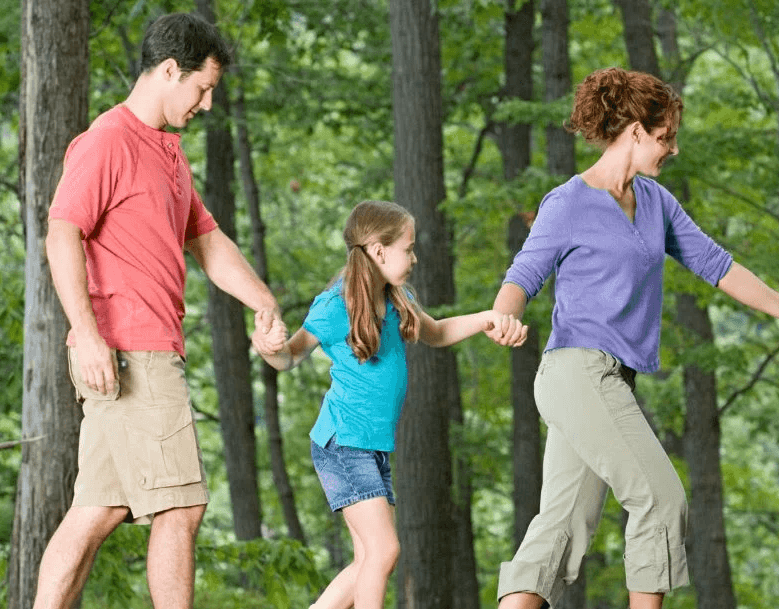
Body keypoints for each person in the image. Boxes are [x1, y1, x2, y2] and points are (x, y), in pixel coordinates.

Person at [486, 66, 779, 609]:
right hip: (576, 372)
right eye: (666, 136)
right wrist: (504, 318)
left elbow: (717, 265)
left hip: (610, 380)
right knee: (663, 501)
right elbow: (520, 278)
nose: (674, 148)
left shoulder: (655, 203)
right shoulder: (568, 203)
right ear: (635, 131)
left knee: (559, 529)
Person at [37, 13, 280, 609]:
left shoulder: (167, 152)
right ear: (170, 70)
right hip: (130, 350)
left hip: (138, 349)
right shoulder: (108, 140)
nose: (207, 104)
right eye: (202, 88)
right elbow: (61, 232)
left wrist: (265, 301)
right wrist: (87, 336)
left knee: (98, 511)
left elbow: (207, 241)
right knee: (182, 505)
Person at [252, 200, 526, 609]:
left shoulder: (398, 300)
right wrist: (267, 347)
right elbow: (289, 357)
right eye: (408, 248)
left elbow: (436, 332)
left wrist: (488, 317)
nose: (414, 257)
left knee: (368, 559)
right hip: (342, 443)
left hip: (370, 446)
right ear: (379, 252)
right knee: (384, 551)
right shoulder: (334, 305)